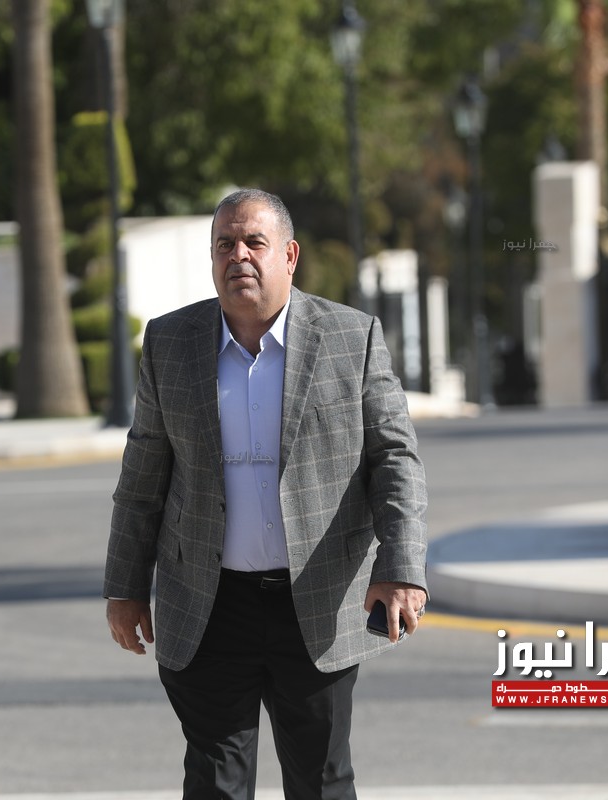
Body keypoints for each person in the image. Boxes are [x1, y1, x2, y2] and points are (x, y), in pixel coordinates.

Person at [105, 188, 428, 800]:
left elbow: (395, 460)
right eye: (224, 244)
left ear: (289, 255)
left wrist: (401, 567)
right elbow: (142, 478)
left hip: (315, 601)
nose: (239, 256)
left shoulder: (350, 337)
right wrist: (125, 587)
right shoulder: (171, 343)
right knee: (215, 783)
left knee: (321, 782)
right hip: (207, 604)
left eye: (255, 242)